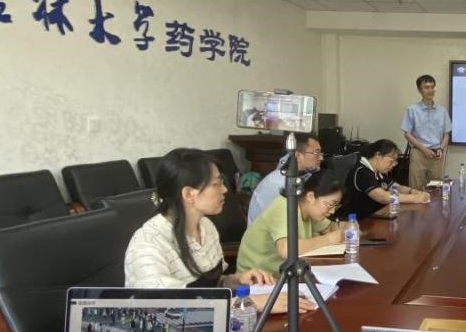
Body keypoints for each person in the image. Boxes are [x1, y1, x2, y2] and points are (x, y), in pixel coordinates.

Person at [125, 148, 310, 314]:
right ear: (189, 194)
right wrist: (248, 302)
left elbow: (209, 285)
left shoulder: (206, 226)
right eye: (216, 183)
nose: (225, 189)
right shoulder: (148, 244)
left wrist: (236, 280)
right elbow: (161, 306)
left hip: (211, 323)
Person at [237, 169, 345, 273]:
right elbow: (286, 250)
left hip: (283, 274)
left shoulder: (310, 211)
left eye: (336, 206)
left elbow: (331, 228)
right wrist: (327, 240)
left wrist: (349, 228)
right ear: (311, 196)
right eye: (330, 205)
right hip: (256, 276)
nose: (332, 211)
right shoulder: (285, 206)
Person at [337, 139, 430, 220]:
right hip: (357, 221)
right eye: (392, 160)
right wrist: (414, 198)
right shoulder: (362, 172)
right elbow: (382, 197)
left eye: (395, 161)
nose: (394, 164)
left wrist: (412, 191)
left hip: (375, 216)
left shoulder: (378, 172)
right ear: (378, 155)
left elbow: (396, 187)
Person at [247, 134, 324, 223]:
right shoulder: (278, 183)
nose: (321, 158)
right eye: (316, 153)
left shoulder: (304, 175)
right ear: (297, 154)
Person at [401, 74, 452, 190]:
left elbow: (446, 134)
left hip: (436, 154)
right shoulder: (412, 110)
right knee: (416, 187)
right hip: (419, 154)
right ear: (420, 90)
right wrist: (424, 149)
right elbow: (407, 134)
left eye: (432, 87)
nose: (430, 90)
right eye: (426, 87)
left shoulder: (442, 111)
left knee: (436, 188)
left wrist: (441, 149)